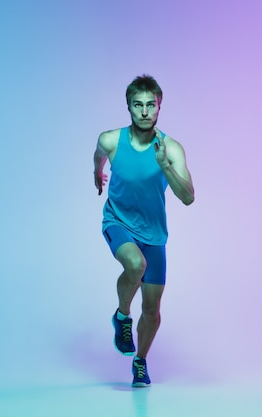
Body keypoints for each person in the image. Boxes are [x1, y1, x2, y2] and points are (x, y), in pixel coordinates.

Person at [93, 75, 195, 387]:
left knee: (151, 311)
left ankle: (140, 361)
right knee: (136, 265)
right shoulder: (111, 140)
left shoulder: (171, 148)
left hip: (154, 234)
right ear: (129, 107)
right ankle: (122, 316)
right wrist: (97, 174)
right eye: (138, 105)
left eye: (151, 105)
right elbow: (98, 156)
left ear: (159, 107)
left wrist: (165, 166)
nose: (145, 111)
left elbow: (188, 196)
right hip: (118, 221)